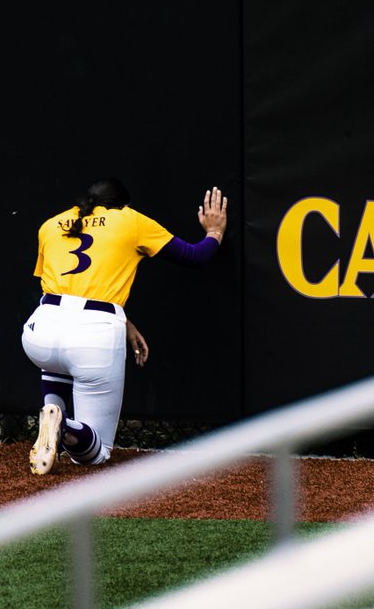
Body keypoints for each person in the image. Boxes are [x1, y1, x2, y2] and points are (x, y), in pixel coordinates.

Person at [22, 177, 227, 475]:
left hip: (40, 330)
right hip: (93, 336)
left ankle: (52, 414)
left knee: (58, 355)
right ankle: (63, 425)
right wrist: (215, 231)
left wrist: (125, 321)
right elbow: (194, 256)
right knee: (95, 453)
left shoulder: (51, 224)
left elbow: (71, 292)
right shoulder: (130, 220)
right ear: (123, 205)